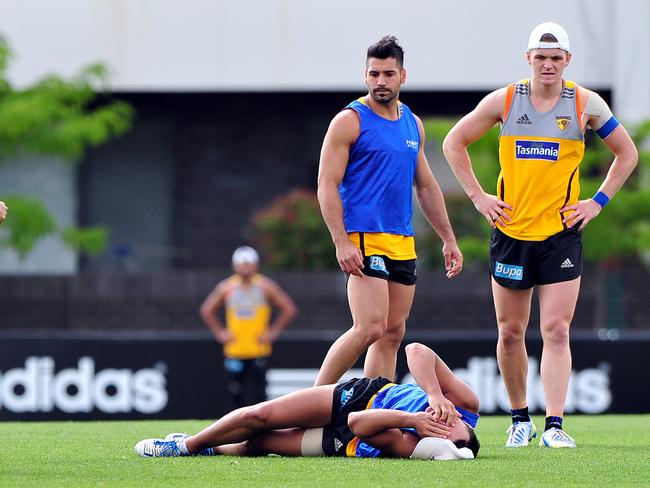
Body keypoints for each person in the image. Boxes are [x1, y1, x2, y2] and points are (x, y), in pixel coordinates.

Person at [442, 22, 638, 449]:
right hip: (511, 232)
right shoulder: (506, 100)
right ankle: (519, 419)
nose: (548, 65)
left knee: (556, 329)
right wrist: (478, 198)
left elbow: (628, 153)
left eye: (555, 58)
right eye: (540, 57)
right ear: (528, 58)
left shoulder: (586, 104)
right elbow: (453, 142)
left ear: (567, 61)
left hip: (561, 234)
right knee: (510, 331)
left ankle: (554, 425)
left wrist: (596, 202)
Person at [315, 35, 463, 387]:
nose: (381, 81)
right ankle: (310, 403)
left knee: (392, 333)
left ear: (403, 76)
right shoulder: (350, 120)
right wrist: (341, 242)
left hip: (402, 239)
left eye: (388, 74)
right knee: (369, 327)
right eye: (374, 74)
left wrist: (449, 239)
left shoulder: (412, 123)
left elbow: (425, 185)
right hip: (364, 236)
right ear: (365, 76)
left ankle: (374, 411)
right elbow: (326, 185)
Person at [134, 342, 480, 461]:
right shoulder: (465, 404)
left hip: (353, 437)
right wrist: (435, 394)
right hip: (363, 394)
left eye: (443, 438)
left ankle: (214, 448)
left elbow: (359, 424)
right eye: (451, 429)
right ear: (463, 424)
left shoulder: (416, 441)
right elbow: (416, 351)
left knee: (260, 443)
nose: (443, 428)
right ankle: (185, 446)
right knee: (260, 415)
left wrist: (415, 423)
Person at [200, 246, 298, 407]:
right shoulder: (227, 288)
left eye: (248, 264)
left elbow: (289, 309)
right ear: (235, 266)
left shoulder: (265, 286)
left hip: (258, 349)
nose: (245, 268)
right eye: (242, 264)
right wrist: (220, 333)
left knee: (260, 393)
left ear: (256, 265)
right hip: (235, 349)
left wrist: (272, 333)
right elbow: (207, 310)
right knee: (235, 392)